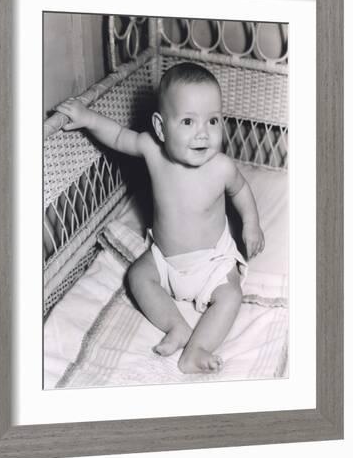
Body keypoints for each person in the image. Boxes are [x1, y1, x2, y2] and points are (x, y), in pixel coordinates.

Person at [57, 62, 264, 374]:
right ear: (160, 127)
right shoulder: (151, 150)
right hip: (165, 260)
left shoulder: (221, 167)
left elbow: (241, 192)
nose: (203, 134)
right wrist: (86, 118)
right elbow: (116, 135)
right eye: (188, 122)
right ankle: (176, 326)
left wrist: (251, 223)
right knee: (138, 277)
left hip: (212, 262)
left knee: (231, 294)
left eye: (213, 121)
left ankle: (198, 348)